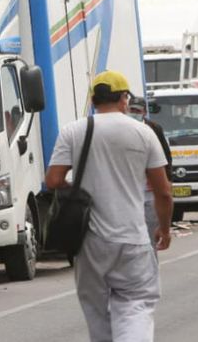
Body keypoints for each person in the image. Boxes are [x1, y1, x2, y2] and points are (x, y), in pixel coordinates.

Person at [45, 70, 174, 342]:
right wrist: (164, 229)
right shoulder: (144, 133)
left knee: (97, 312)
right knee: (136, 306)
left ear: (93, 99)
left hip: (90, 241)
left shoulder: (74, 131)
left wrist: (81, 189)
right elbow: (163, 192)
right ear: (124, 99)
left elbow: (54, 180)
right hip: (132, 237)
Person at [129, 96, 173, 242]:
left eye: (137, 110)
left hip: (149, 189)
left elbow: (166, 157)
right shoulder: (124, 128)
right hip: (130, 190)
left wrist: (168, 180)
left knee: (149, 235)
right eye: (131, 109)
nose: (134, 113)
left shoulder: (154, 129)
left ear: (144, 112)